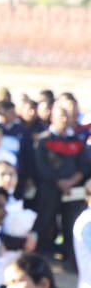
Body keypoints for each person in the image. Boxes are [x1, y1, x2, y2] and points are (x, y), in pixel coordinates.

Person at [32, 101, 89, 263]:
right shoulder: (43, 140)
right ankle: (43, 255)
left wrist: (71, 181)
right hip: (49, 189)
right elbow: (41, 167)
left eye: (66, 116)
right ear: (52, 118)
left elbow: (84, 166)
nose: (64, 119)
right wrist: (59, 181)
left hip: (72, 191)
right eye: (61, 116)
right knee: (46, 221)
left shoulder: (76, 140)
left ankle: (70, 257)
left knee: (71, 223)